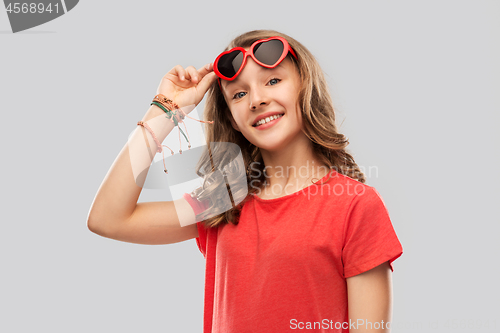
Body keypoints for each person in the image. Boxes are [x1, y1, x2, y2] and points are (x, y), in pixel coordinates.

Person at [87, 29, 403, 333]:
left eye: (273, 81)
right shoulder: (222, 202)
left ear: (304, 86)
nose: (256, 99)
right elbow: (109, 219)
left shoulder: (354, 205)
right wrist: (166, 109)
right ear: (233, 121)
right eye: (239, 93)